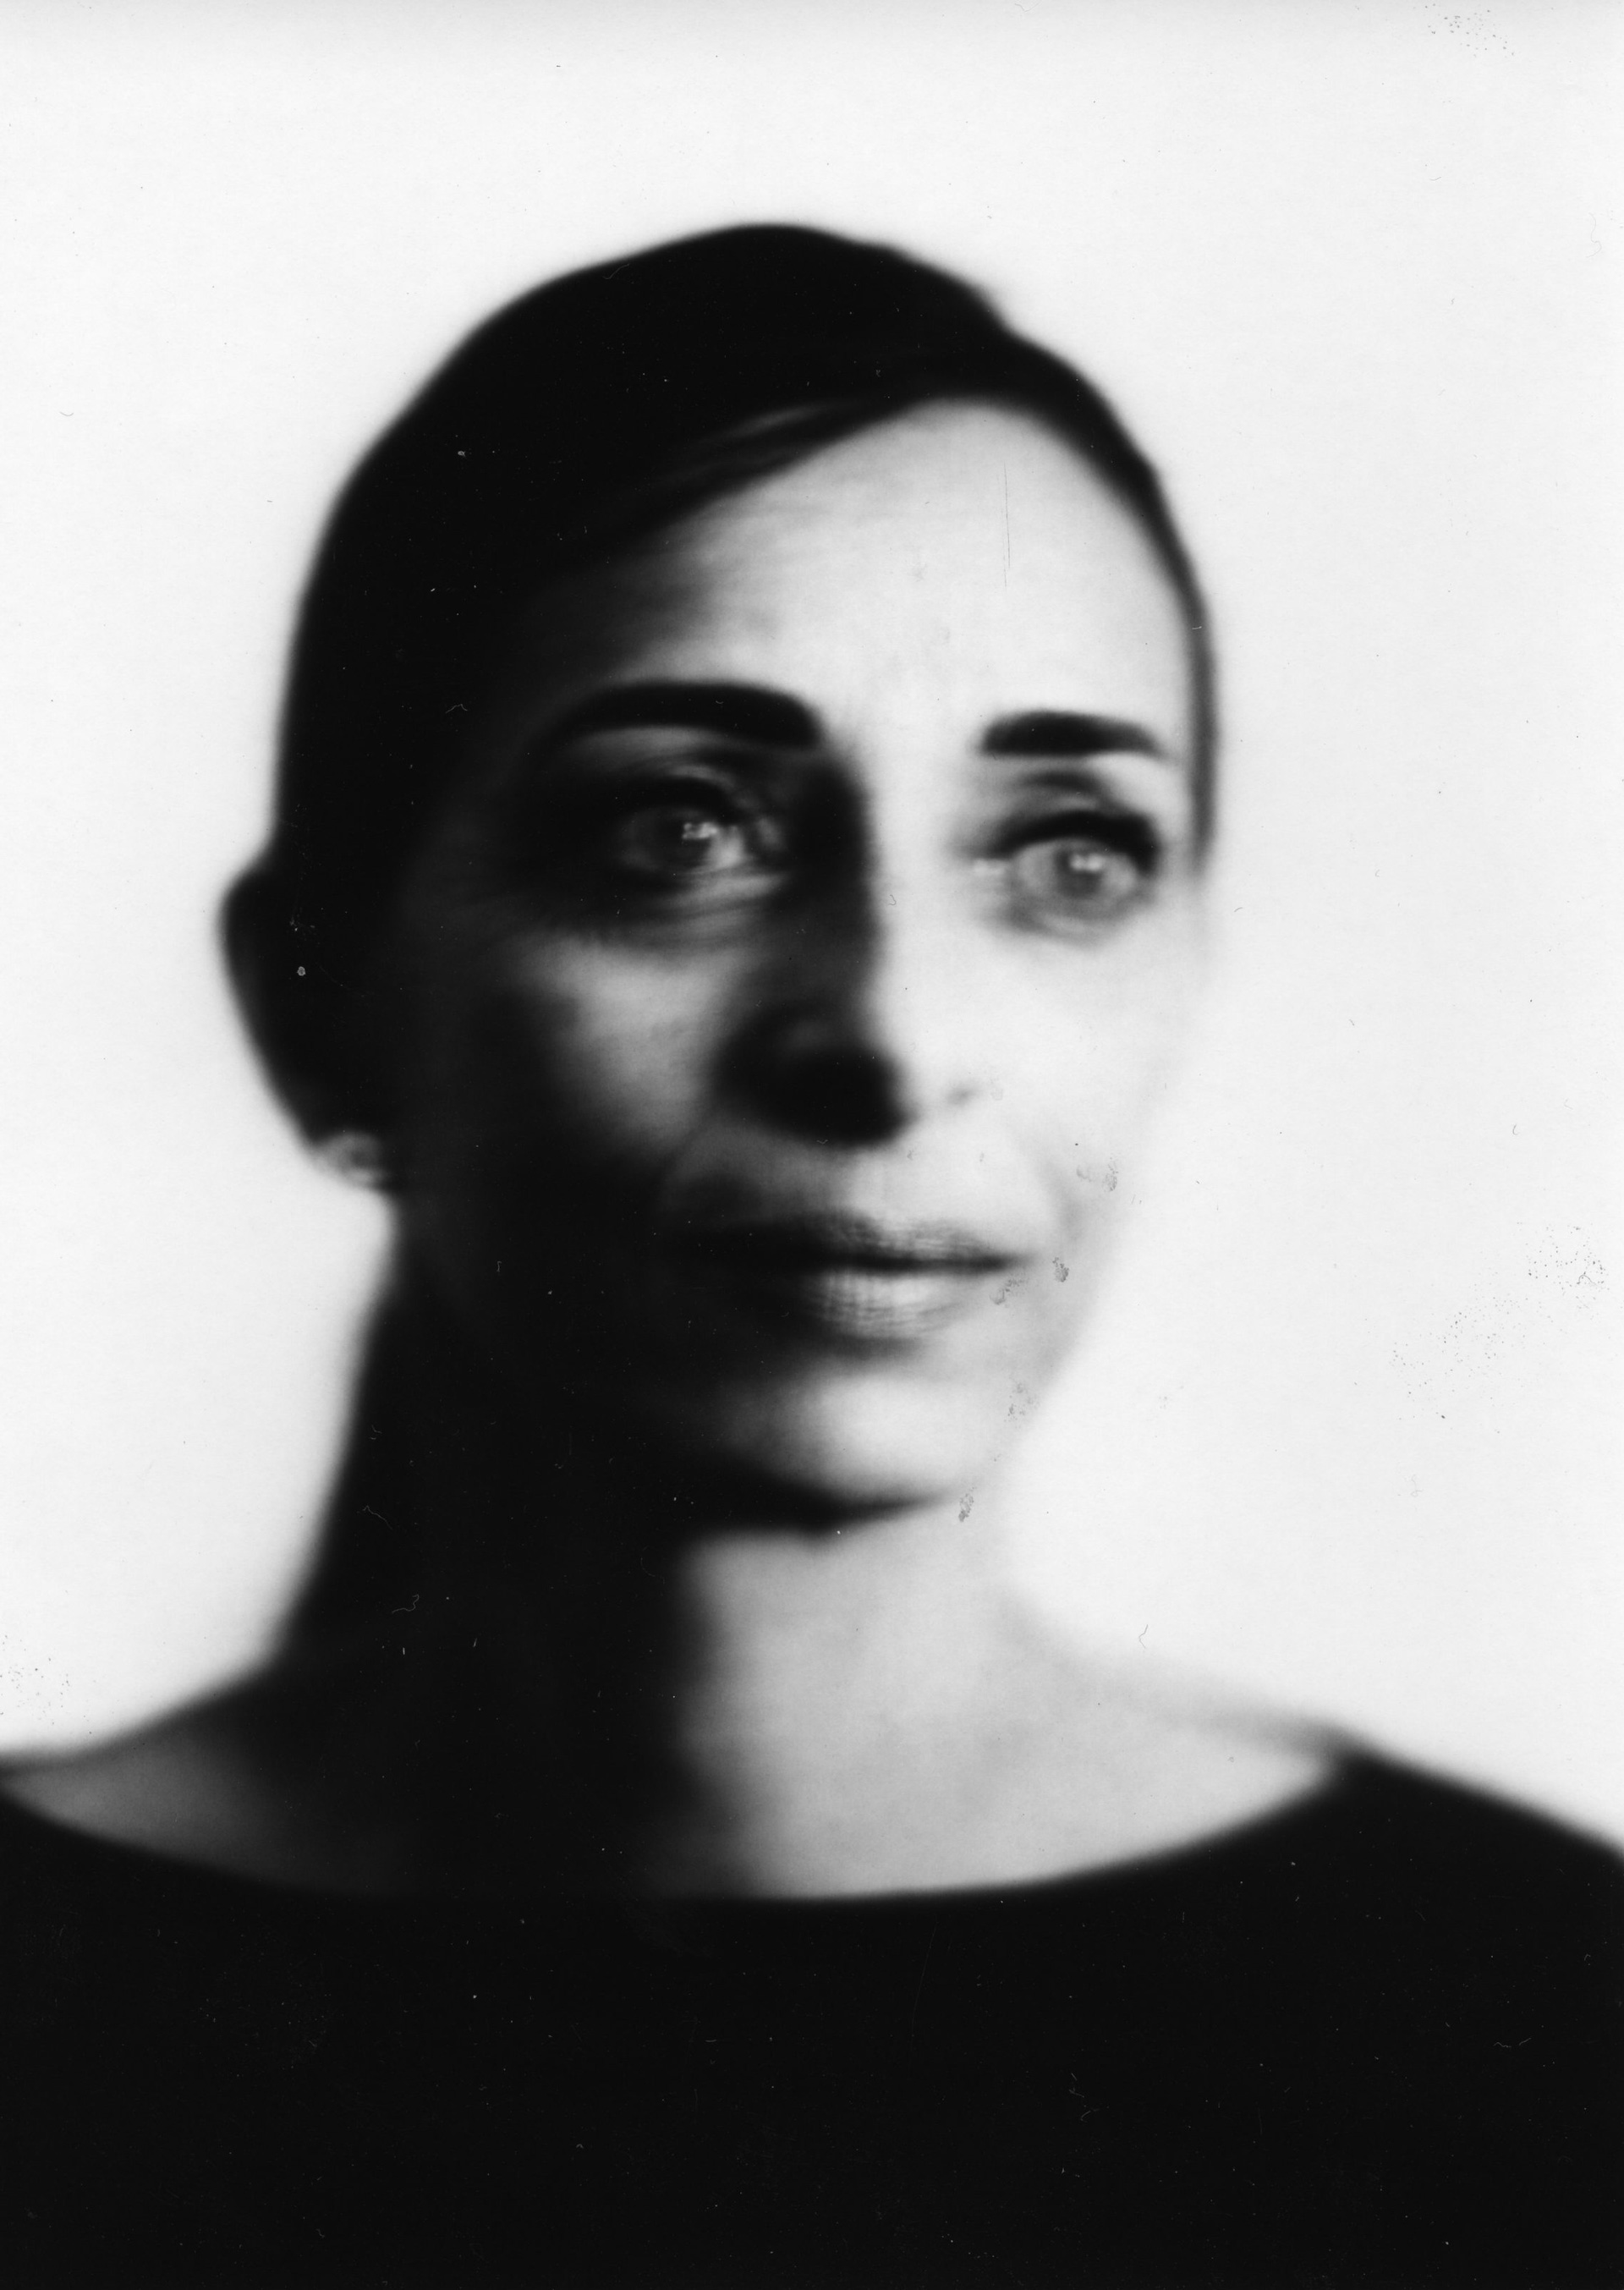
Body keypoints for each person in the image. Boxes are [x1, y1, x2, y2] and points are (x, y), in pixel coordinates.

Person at [0, 224, 1617, 2286]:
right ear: (318, 1005)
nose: (893, 1037)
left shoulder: (1537, 2027)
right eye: (680, 830)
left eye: (1070, 855)